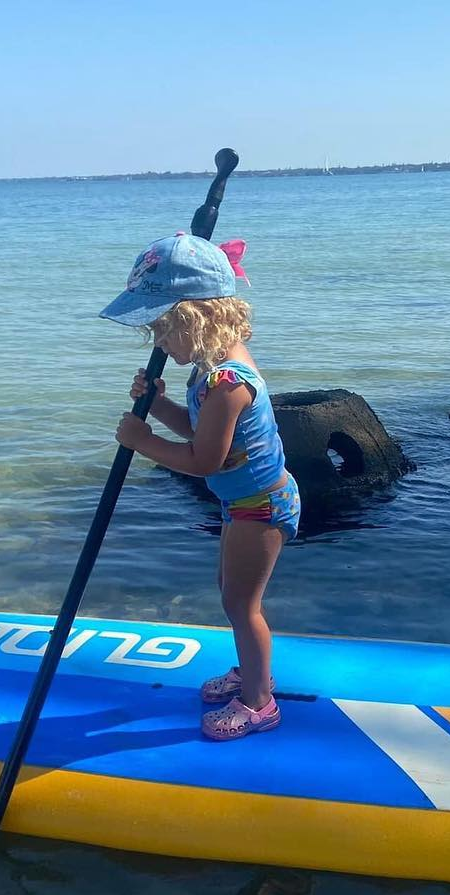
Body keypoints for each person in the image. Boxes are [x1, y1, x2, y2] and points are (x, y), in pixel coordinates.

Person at [100, 233, 299, 741]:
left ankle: (259, 702)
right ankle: (252, 671)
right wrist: (162, 407)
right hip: (244, 503)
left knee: (241, 605)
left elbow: (202, 459)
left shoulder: (228, 384)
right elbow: (198, 432)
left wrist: (142, 440)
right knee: (231, 595)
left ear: (195, 320)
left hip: (261, 506)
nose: (160, 345)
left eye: (164, 333)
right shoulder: (208, 374)